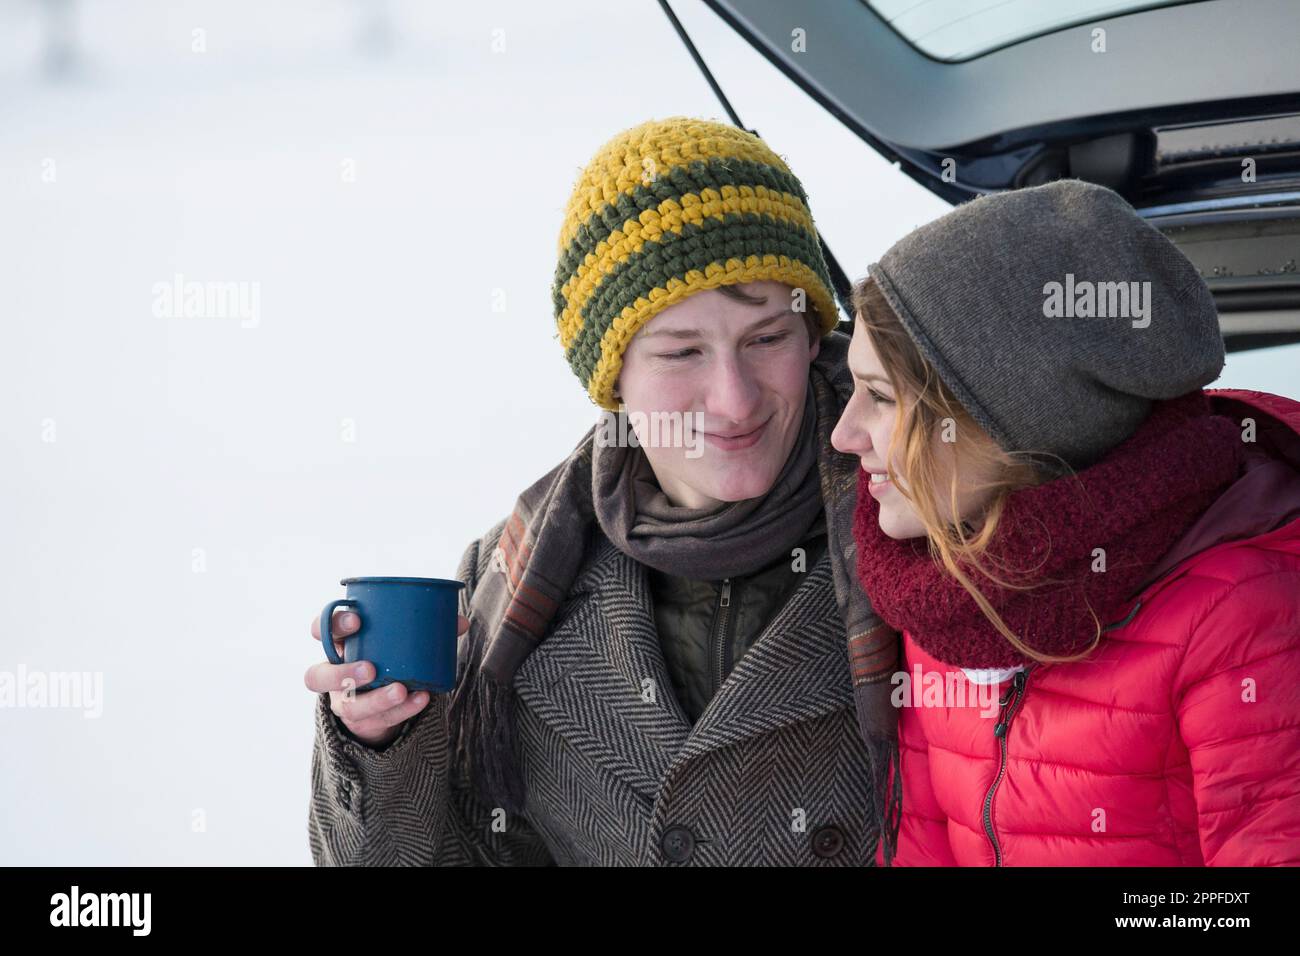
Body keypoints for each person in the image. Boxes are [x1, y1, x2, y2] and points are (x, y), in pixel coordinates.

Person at [305, 117, 903, 866]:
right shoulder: (509, 581)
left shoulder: (924, 525)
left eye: (767, 339)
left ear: (814, 333)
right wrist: (380, 740)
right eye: (682, 351)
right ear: (611, 376)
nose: (735, 399)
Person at [831, 179, 1300, 866]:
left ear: (1012, 422)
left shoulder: (1240, 618)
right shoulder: (946, 592)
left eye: (879, 398)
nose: (846, 435)